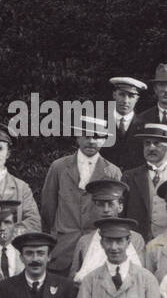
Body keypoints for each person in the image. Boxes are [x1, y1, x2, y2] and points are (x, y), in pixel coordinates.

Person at [41, 115, 121, 275]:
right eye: (87, 135)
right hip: (62, 248)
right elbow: (48, 208)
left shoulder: (112, 172)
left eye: (97, 136)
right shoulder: (59, 167)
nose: (91, 141)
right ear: (78, 137)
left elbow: (114, 214)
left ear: (105, 139)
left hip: (96, 249)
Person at [69, 179, 146, 282]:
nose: (106, 209)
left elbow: (143, 277)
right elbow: (72, 279)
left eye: (110, 204)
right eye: (100, 204)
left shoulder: (135, 239)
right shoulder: (85, 241)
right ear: (94, 208)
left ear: (120, 207)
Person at [121, 124, 167, 242]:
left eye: (157, 143)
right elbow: (122, 214)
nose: (151, 148)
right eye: (147, 143)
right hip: (137, 243)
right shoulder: (129, 177)